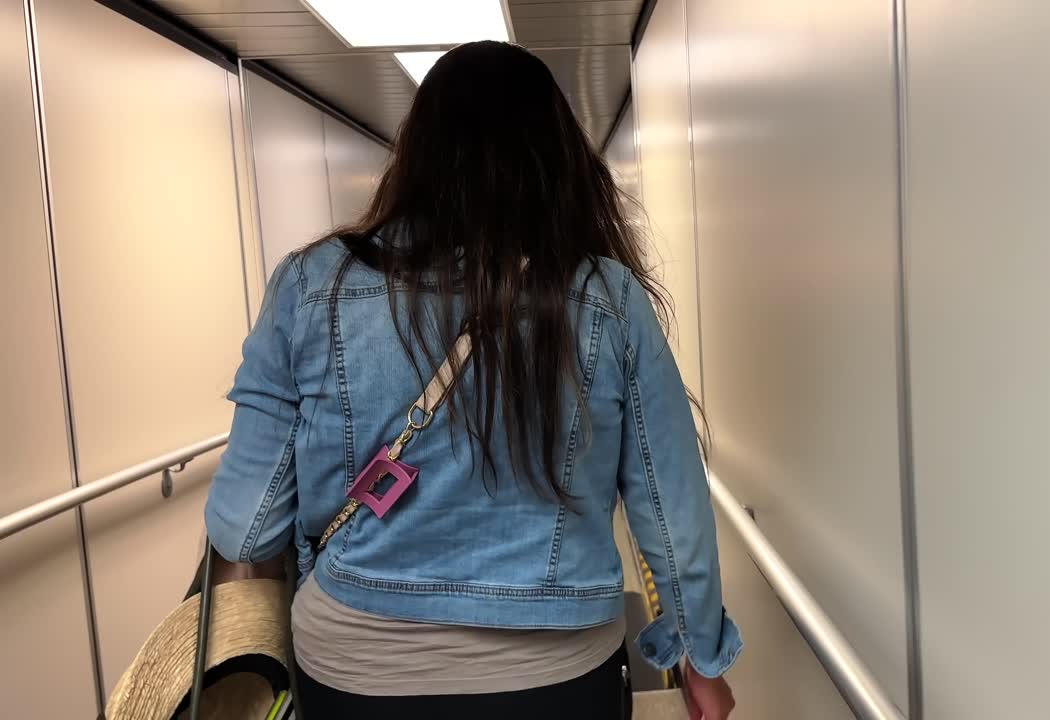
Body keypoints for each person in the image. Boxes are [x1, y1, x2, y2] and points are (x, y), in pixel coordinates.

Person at [204, 41, 741, 719]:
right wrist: (700, 655)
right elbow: (670, 507)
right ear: (558, 159)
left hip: (354, 674)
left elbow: (248, 527)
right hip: (559, 673)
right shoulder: (606, 296)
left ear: (417, 152)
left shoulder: (312, 286)